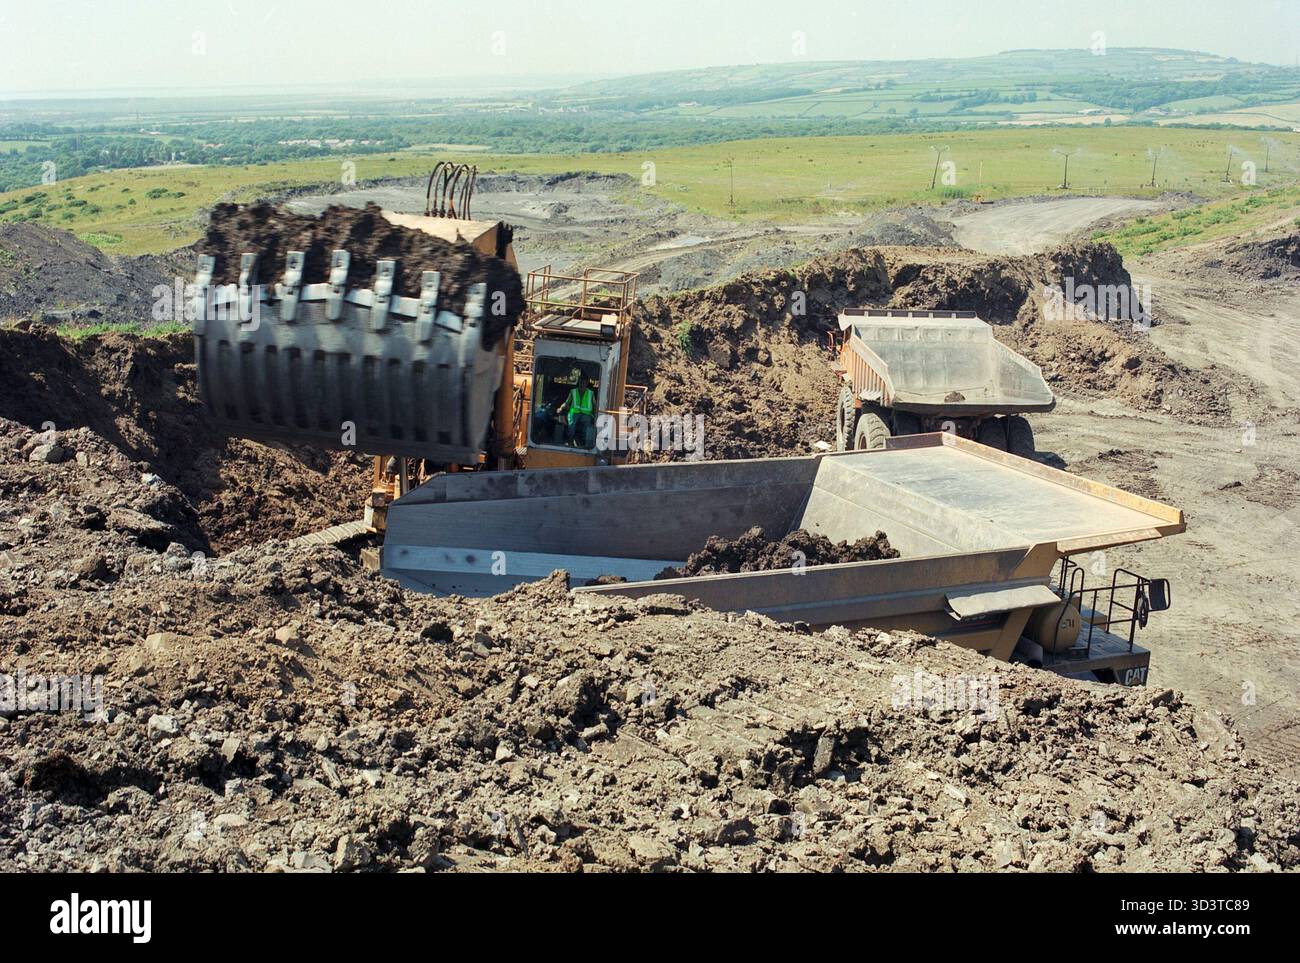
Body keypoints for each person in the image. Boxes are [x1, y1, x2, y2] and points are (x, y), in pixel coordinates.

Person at [559, 374, 596, 448]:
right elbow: (567, 403)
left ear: (586, 383)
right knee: (571, 426)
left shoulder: (591, 393)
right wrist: (560, 408)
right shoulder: (573, 391)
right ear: (578, 382)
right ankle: (570, 442)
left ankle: (583, 444)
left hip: (587, 414)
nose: (582, 384)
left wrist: (596, 415)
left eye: (584, 382)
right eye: (581, 382)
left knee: (586, 428)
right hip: (573, 412)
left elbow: (595, 405)